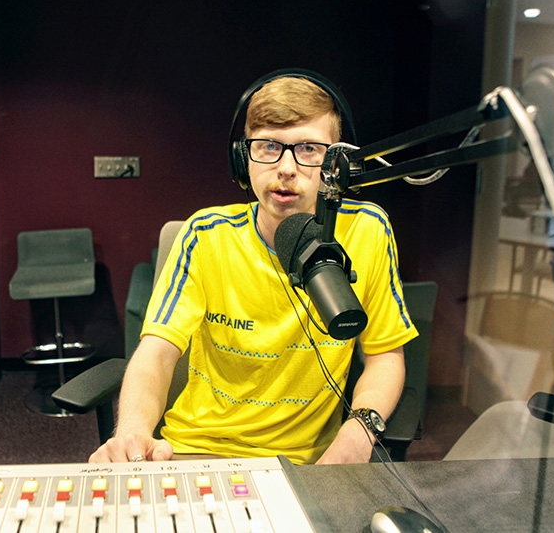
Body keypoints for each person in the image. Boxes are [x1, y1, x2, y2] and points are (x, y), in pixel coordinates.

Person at [89, 72, 418, 465]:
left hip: (311, 464)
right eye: (268, 147)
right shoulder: (205, 235)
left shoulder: (367, 230)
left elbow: (385, 356)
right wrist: (132, 431)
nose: (286, 168)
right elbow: (157, 352)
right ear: (242, 158)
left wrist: (360, 432)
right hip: (196, 450)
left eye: (309, 149)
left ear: (337, 163)